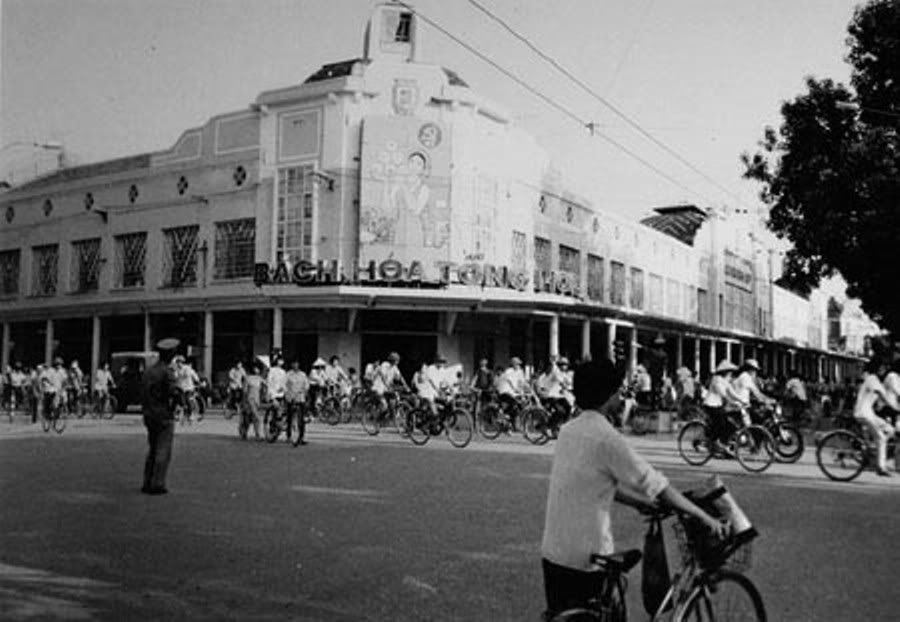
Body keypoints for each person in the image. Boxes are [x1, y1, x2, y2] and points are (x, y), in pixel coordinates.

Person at [540, 358, 728, 617]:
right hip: (585, 558)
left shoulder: (567, 431)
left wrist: (638, 502)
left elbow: (592, 483)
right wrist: (703, 516)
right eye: (618, 391)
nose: (621, 398)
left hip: (554, 553)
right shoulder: (607, 438)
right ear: (608, 396)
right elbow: (655, 484)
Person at [141, 339, 178, 495]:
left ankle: (147, 481)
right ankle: (158, 483)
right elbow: (173, 393)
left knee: (153, 448)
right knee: (163, 449)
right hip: (163, 414)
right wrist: (174, 406)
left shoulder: (149, 371)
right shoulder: (167, 372)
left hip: (149, 413)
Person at [854, 357, 897, 476]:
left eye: (884, 368)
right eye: (881, 368)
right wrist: (895, 408)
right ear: (876, 368)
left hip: (870, 414)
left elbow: (880, 401)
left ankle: (873, 451)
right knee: (881, 438)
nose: (883, 370)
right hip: (863, 414)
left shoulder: (877, 381)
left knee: (890, 430)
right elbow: (883, 396)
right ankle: (880, 467)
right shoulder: (872, 379)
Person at [703, 360, 743, 450]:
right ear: (725, 371)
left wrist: (741, 400)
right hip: (710, 405)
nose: (731, 374)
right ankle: (713, 442)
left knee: (730, 425)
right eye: (730, 371)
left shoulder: (726, 380)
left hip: (718, 405)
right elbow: (722, 393)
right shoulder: (716, 379)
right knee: (720, 423)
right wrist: (732, 402)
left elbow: (732, 392)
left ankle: (723, 442)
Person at [496, 356, 527, 427]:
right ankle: (502, 417)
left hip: (513, 392)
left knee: (519, 405)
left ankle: (509, 421)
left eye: (519, 364)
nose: (518, 365)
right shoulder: (508, 371)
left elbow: (523, 382)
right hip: (504, 390)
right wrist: (515, 389)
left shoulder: (520, 371)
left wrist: (528, 389)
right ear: (513, 364)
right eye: (517, 364)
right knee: (514, 402)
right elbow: (510, 381)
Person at [285, 361, 310, 445]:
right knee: (290, 417)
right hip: (291, 397)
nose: (295, 365)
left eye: (297, 364)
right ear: (292, 365)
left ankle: (301, 437)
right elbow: (284, 385)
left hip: (300, 397)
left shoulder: (302, 374)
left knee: (301, 418)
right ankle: (289, 435)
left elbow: (306, 385)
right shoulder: (288, 374)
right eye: (294, 364)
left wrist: (305, 391)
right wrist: (287, 392)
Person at [173, 356, 200, 422]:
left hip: (188, 388)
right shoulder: (176, 369)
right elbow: (174, 377)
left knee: (187, 399)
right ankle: (177, 413)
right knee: (178, 400)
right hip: (180, 387)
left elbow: (193, 375)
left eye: (179, 362)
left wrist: (198, 381)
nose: (178, 364)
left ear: (182, 363)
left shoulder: (187, 368)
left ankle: (191, 414)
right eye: (177, 362)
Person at [243, 363, 265, 439]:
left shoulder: (259, 378)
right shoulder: (248, 378)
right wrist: (244, 402)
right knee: (257, 417)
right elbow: (245, 391)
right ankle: (257, 434)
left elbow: (266, 384)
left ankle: (253, 434)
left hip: (257, 401)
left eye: (258, 368)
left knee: (251, 418)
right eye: (256, 368)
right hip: (250, 400)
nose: (257, 370)